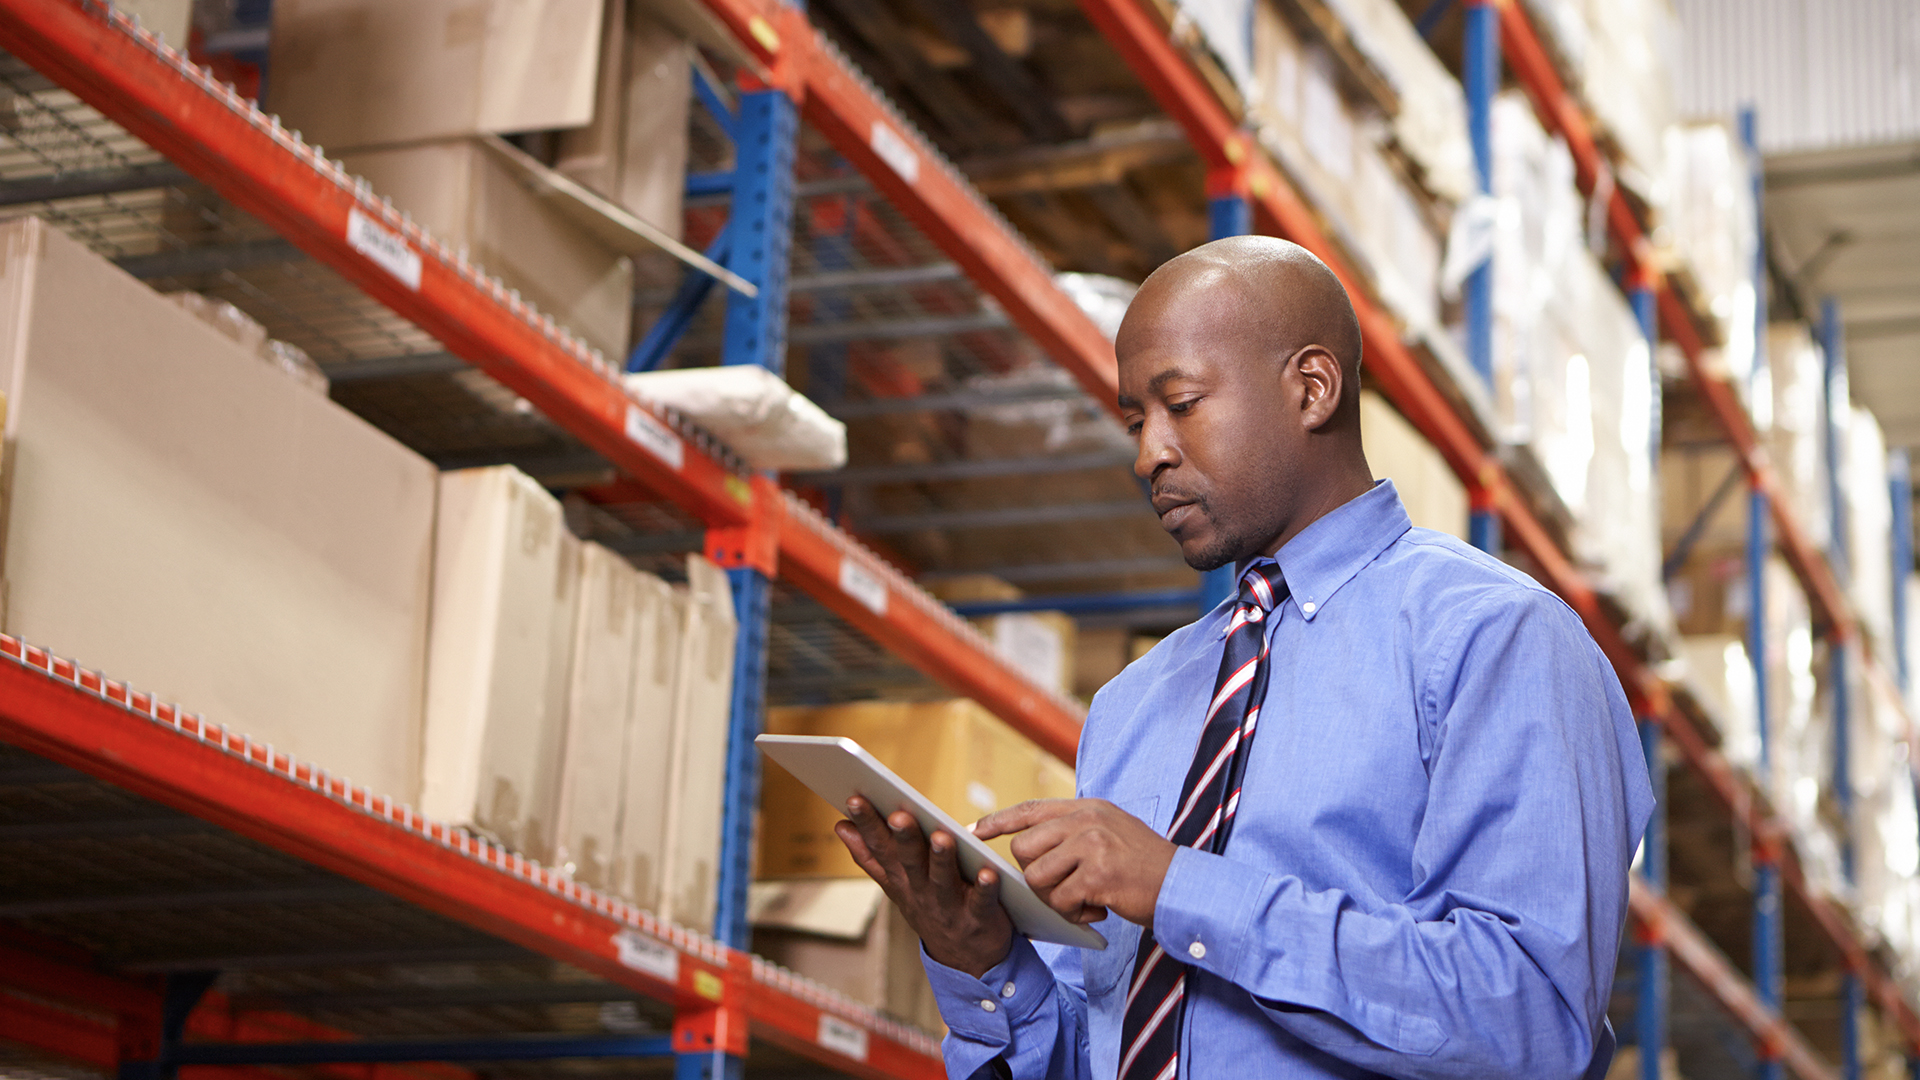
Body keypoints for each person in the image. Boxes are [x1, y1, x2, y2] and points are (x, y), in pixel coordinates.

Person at [835, 235, 1654, 1080]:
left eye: (1180, 404)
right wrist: (985, 963)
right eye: (1133, 420)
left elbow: (1529, 1021)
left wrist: (1177, 888)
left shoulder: (1495, 640)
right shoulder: (1134, 706)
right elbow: (1111, 1051)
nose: (1148, 452)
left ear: (1312, 387)